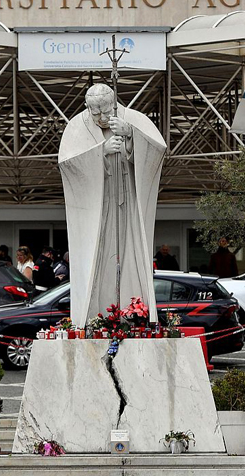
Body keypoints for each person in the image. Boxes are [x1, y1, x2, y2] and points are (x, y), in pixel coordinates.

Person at [59, 83, 166, 326]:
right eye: (95, 113)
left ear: (114, 104)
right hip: (97, 206)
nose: (102, 118)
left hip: (128, 201)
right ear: (87, 107)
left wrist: (131, 136)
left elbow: (158, 150)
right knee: (99, 254)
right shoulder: (76, 126)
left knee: (131, 252)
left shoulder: (134, 120)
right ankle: (96, 317)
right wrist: (101, 152)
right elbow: (67, 164)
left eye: (106, 112)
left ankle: (134, 314)